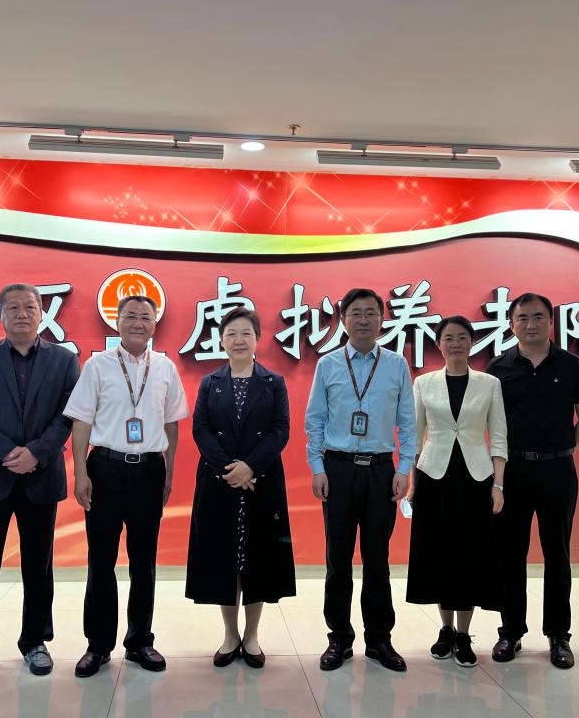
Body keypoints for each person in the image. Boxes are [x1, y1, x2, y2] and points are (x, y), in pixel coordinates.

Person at [0, 283, 80, 682]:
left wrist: (36, 452)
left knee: (38, 566)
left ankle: (35, 641)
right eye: (14, 308)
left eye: (30, 307)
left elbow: (69, 413)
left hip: (41, 475)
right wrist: (7, 452)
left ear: (42, 314)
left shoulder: (64, 360)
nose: (22, 314)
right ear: (0, 315)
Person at [66, 295, 188, 677]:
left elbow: (171, 424)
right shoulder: (97, 366)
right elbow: (81, 421)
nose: (138, 323)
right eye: (131, 316)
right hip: (105, 468)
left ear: (155, 324)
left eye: (145, 317)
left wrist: (169, 472)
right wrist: (80, 473)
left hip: (149, 471)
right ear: (117, 322)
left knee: (144, 561)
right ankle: (98, 645)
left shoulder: (165, 367)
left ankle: (140, 642)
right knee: (101, 560)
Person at [305, 288, 416, 672]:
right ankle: (339, 638)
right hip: (338, 469)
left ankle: (379, 639)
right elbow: (315, 420)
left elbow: (408, 422)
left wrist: (404, 468)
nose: (364, 319)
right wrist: (317, 467)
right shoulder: (329, 364)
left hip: (382, 471)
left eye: (371, 312)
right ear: (343, 319)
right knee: (337, 559)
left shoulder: (397, 365)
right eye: (356, 313)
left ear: (382, 319)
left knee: (377, 559)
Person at [487, 292, 579, 669]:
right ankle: (510, 631)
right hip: (513, 470)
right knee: (509, 554)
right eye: (522, 318)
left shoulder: (571, 365)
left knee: (558, 554)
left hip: (558, 472)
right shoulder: (498, 367)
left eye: (538, 317)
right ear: (511, 324)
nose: (530, 324)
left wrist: (564, 450)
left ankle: (558, 635)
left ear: (551, 322)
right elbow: (488, 422)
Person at [186, 307, 295, 669]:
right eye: (231, 333)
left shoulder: (273, 382)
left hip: (261, 481)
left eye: (246, 333)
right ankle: (230, 635)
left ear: (257, 339)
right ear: (221, 340)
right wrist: (229, 470)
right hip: (219, 481)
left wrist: (250, 467)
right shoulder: (210, 382)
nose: (238, 340)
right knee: (223, 558)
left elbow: (281, 429)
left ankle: (252, 636)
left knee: (258, 558)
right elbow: (200, 428)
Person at [405, 315, 507, 667]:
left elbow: (499, 436)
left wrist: (498, 484)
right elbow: (414, 435)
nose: (456, 343)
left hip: (475, 477)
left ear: (472, 342)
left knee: (470, 554)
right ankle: (445, 629)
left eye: (463, 337)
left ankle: (464, 633)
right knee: (438, 553)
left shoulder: (489, 384)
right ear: (439, 344)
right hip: (434, 475)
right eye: (449, 337)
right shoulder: (424, 383)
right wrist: (412, 481)